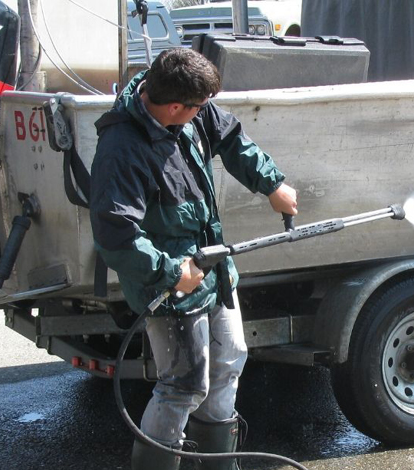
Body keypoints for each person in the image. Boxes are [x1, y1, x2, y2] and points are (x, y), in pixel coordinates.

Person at [89, 48, 298, 470]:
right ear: (173, 107)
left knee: (229, 361)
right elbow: (116, 235)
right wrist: (169, 272)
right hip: (168, 288)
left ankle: (219, 465)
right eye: (198, 108)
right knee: (183, 386)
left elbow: (232, 139)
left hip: (213, 270)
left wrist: (272, 184)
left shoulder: (191, 108)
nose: (206, 112)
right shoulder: (121, 150)